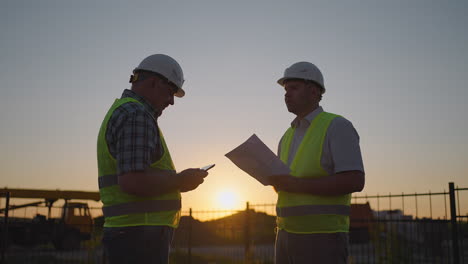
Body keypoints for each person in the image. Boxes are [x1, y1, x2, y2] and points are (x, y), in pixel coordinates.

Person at [97, 54, 208, 263]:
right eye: (170, 92)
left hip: (130, 233)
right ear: (154, 83)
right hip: (139, 236)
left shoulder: (126, 110)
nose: (172, 102)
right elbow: (132, 181)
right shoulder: (136, 115)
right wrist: (180, 180)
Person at [269, 61, 365, 264]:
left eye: (293, 88)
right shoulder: (286, 136)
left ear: (313, 92)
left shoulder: (337, 126)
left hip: (323, 237)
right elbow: (285, 187)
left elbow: (354, 180)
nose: (286, 94)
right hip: (284, 233)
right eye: (285, 90)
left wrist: (295, 185)